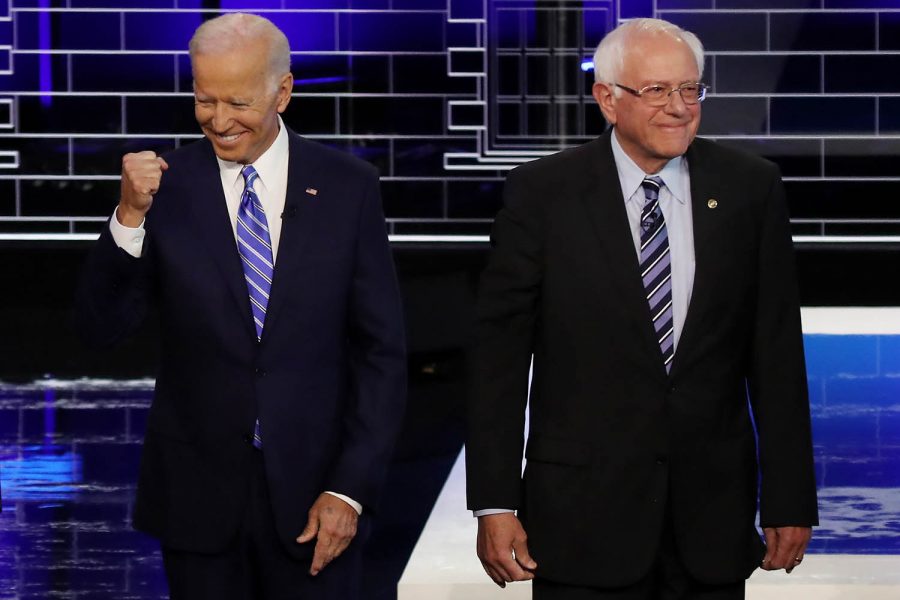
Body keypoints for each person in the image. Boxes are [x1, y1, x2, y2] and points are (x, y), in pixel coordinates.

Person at [466, 17, 818, 600]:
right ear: (607, 99)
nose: (679, 107)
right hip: (580, 520)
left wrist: (789, 498)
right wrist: (495, 502)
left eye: (690, 89)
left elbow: (776, 355)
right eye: (656, 90)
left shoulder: (750, 188)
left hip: (711, 522)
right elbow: (498, 362)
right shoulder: (542, 194)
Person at [75, 13, 406, 600]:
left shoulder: (347, 186)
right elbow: (101, 329)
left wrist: (349, 490)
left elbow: (380, 354)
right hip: (198, 505)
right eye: (205, 100)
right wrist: (128, 217)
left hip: (316, 499)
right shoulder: (164, 189)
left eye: (238, 102)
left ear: (283, 91)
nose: (219, 121)